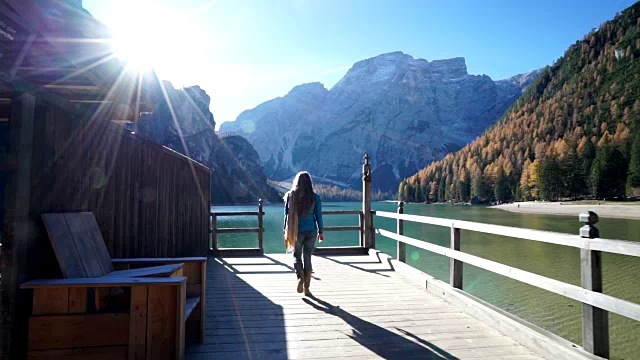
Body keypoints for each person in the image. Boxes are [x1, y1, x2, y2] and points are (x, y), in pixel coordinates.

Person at [283, 171, 324, 296]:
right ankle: (307, 288)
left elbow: (286, 215)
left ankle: (300, 277)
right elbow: (318, 216)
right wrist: (321, 231)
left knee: (296, 255)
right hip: (311, 231)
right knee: (308, 257)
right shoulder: (315, 197)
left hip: (296, 231)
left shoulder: (291, 196)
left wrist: (285, 229)